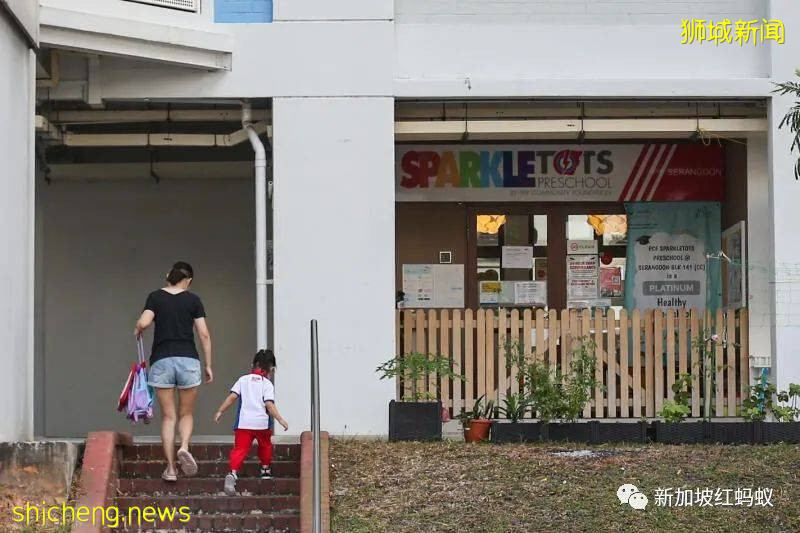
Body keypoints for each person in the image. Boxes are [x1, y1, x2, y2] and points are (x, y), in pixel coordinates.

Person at [134, 261, 213, 482]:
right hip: (188, 360)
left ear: (169, 275)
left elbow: (144, 322)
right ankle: (184, 447)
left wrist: (137, 328)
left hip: (162, 361)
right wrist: (208, 364)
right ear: (188, 280)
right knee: (186, 413)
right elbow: (204, 334)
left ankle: (170, 469)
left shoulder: (155, 297)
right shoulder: (193, 300)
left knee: (168, 417)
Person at [214, 349, 289, 496]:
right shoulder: (267, 384)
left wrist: (220, 411)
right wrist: (280, 419)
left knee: (240, 449)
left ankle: (233, 472)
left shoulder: (243, 380)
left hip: (243, 424)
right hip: (262, 424)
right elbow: (269, 404)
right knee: (265, 446)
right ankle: (265, 469)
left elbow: (232, 397)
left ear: (253, 365)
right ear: (270, 369)